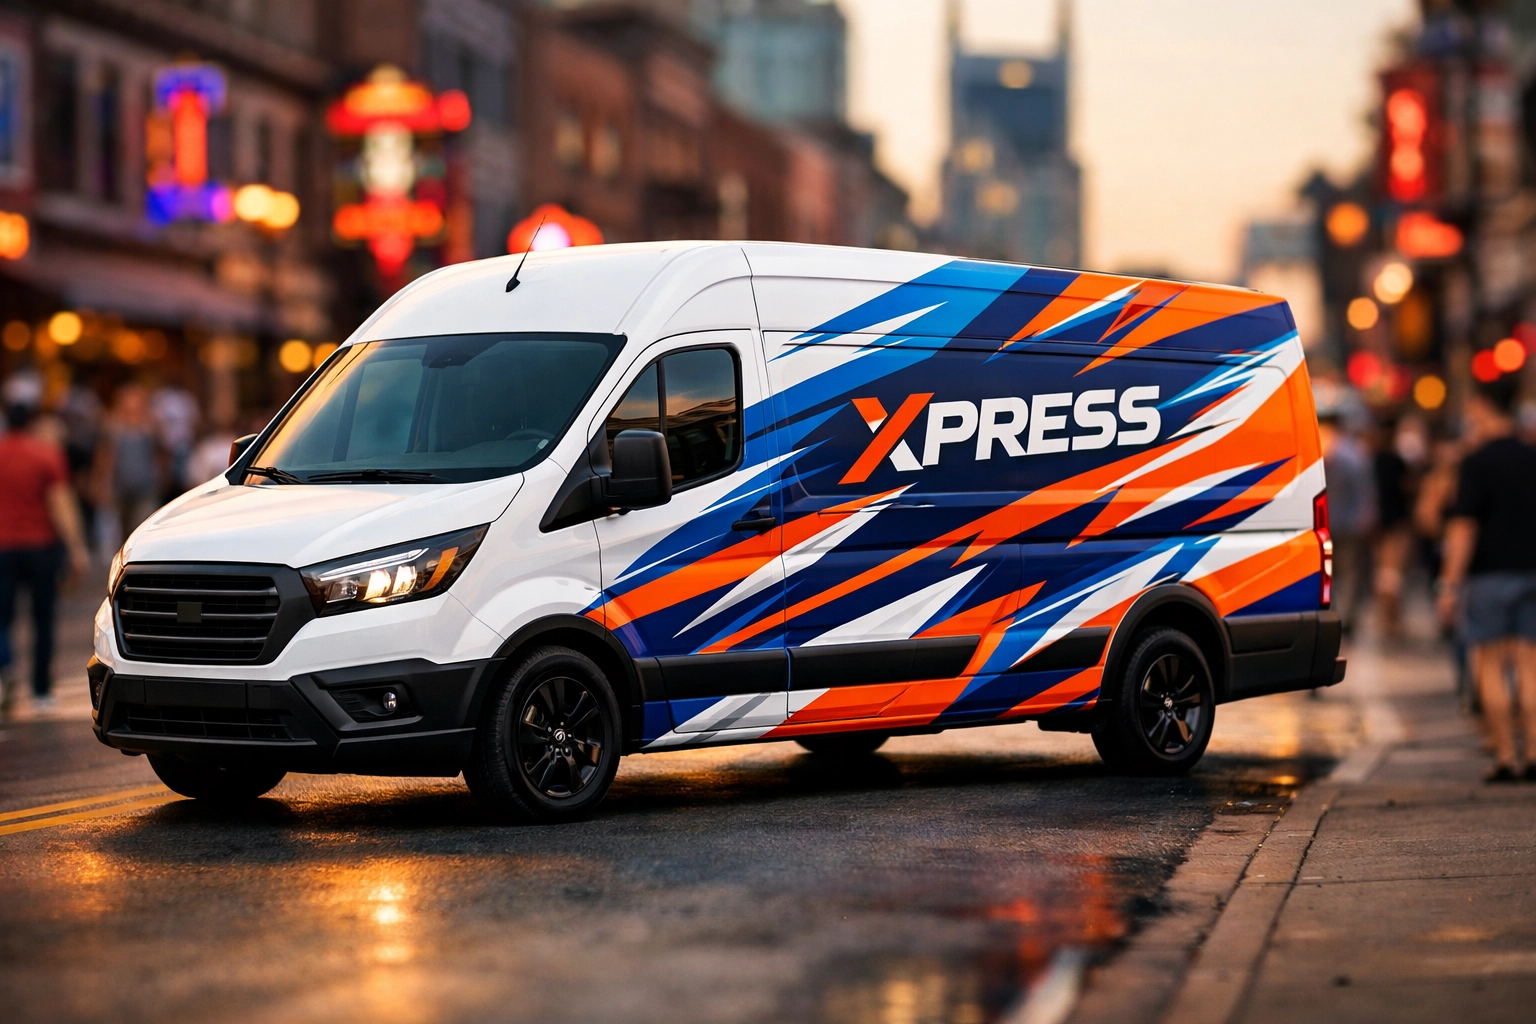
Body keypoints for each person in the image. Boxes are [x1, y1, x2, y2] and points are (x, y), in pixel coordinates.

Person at [1436, 376, 1536, 783]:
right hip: (1531, 570)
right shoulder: (1532, 455)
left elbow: (1463, 527)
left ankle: (1507, 757)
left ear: (1480, 406)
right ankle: (1533, 752)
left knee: (1490, 665)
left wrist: (1449, 584)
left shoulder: (1475, 462)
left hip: (1488, 576)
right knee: (1530, 664)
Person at [0, 375, 91, 712]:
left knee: (2, 618)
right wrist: (77, 548)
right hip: (41, 547)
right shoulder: (46, 455)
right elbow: (61, 505)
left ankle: (5, 668)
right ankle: (40, 690)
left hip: (3, 547)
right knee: (43, 620)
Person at [1319, 410, 1377, 635]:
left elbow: (1363, 490)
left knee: (1333, 571)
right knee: (1346, 572)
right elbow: (1366, 490)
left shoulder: (1343, 454)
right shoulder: (1355, 453)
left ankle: (1337, 614)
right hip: (1346, 522)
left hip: (1334, 522)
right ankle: (1346, 616)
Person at [93, 383, 164, 541]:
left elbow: (160, 454)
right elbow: (105, 455)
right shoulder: (113, 425)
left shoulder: (151, 424)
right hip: (119, 484)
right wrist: (102, 481)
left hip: (146, 484)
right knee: (116, 530)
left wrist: (161, 477)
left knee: (142, 527)